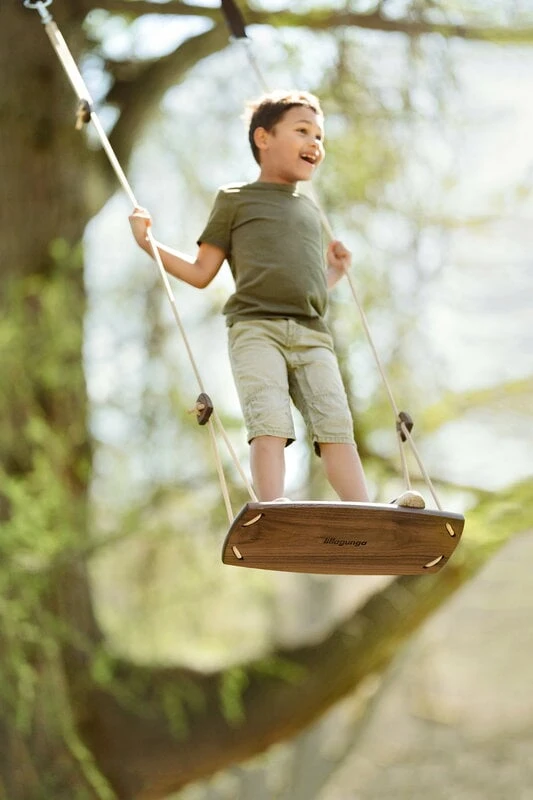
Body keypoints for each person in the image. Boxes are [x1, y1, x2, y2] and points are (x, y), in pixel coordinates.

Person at [129, 90, 424, 509]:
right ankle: (273, 507)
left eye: (319, 136)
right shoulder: (234, 199)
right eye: (302, 130)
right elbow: (200, 272)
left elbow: (304, 286)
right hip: (255, 330)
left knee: (335, 425)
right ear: (263, 138)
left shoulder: (310, 211)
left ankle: (363, 512)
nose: (314, 143)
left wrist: (333, 274)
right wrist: (149, 244)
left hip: (312, 334)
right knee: (268, 419)